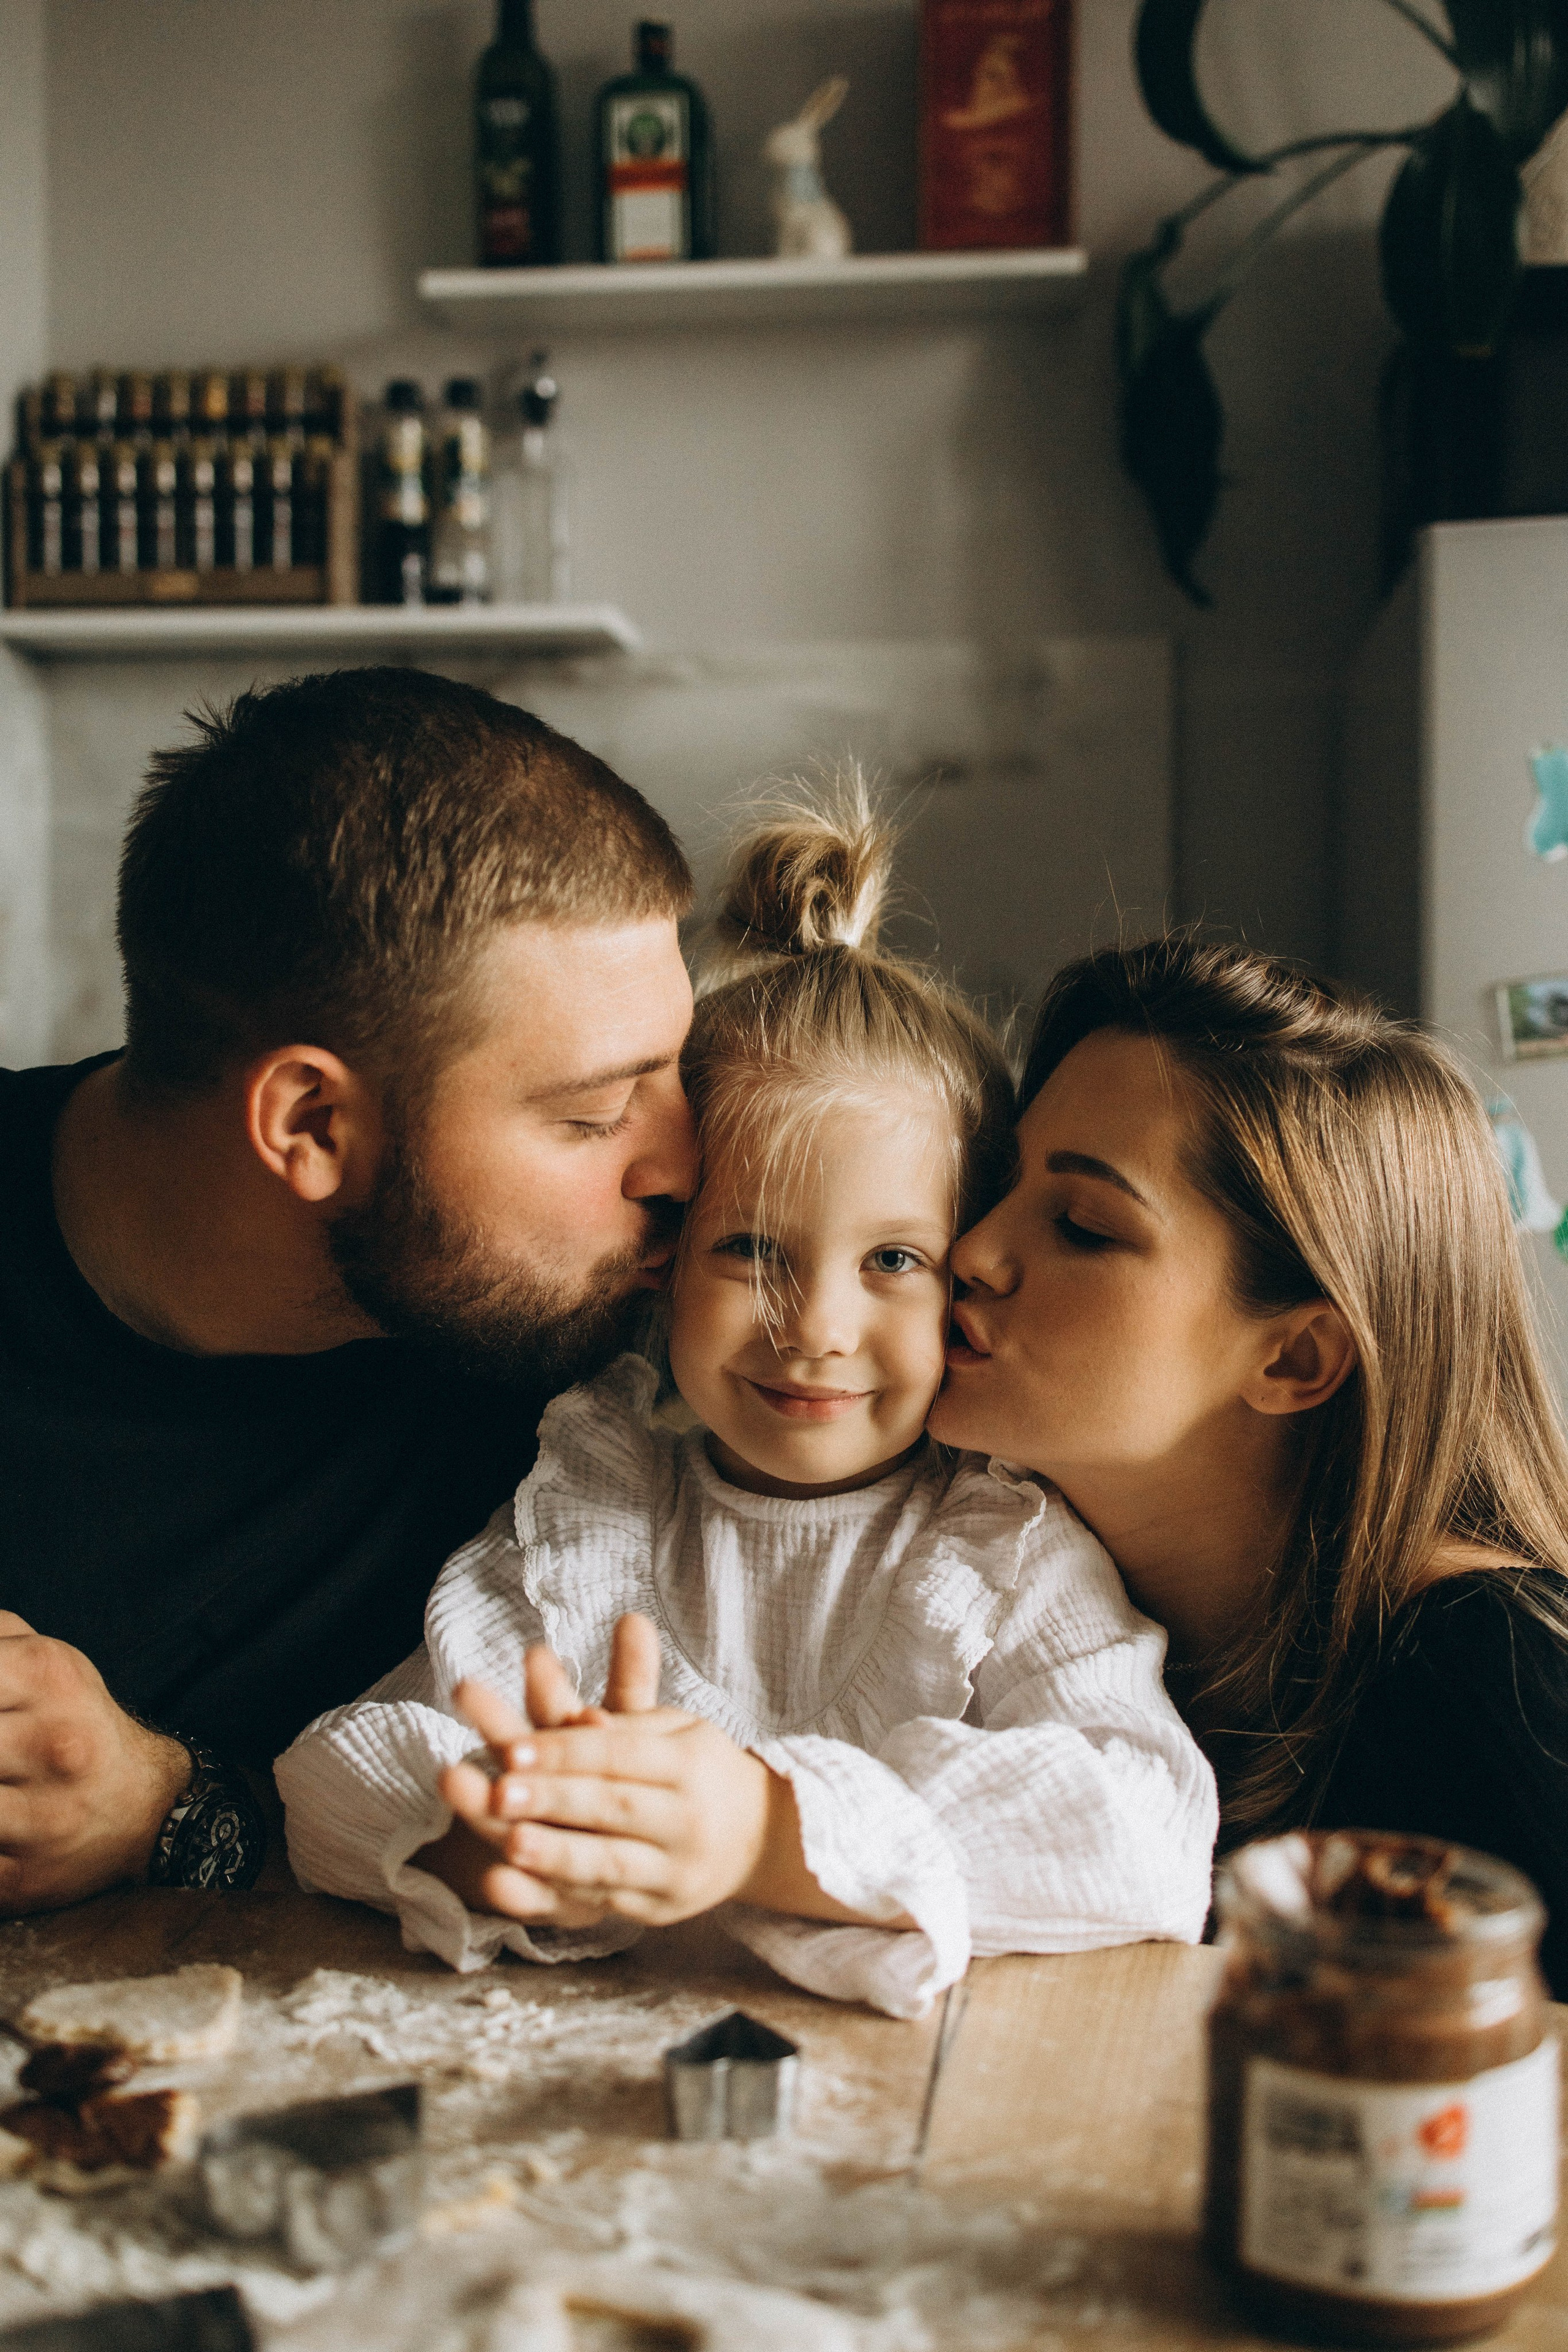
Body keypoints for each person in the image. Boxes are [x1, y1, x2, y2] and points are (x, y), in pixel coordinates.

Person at [277, 791, 1218, 2018]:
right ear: (662, 1259)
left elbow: (1145, 1831)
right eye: (752, 1252)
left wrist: (760, 1832)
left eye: (892, 1262)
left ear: (967, 1272)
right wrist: (492, 1843)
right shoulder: (595, 1507)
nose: (816, 1328)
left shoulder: (993, 1544)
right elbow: (335, 1777)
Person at [0, 666, 698, 1915]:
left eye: (673, 1074)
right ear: (313, 1123)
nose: (686, 1167)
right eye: (594, 1113)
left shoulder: (588, 1360)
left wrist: (163, 1811)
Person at [929, 934, 1568, 1994]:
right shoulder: (1014, 1589)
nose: (975, 1250)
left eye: (1083, 1226)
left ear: (1295, 1355)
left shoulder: (1497, 1686)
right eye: (1000, 1185)